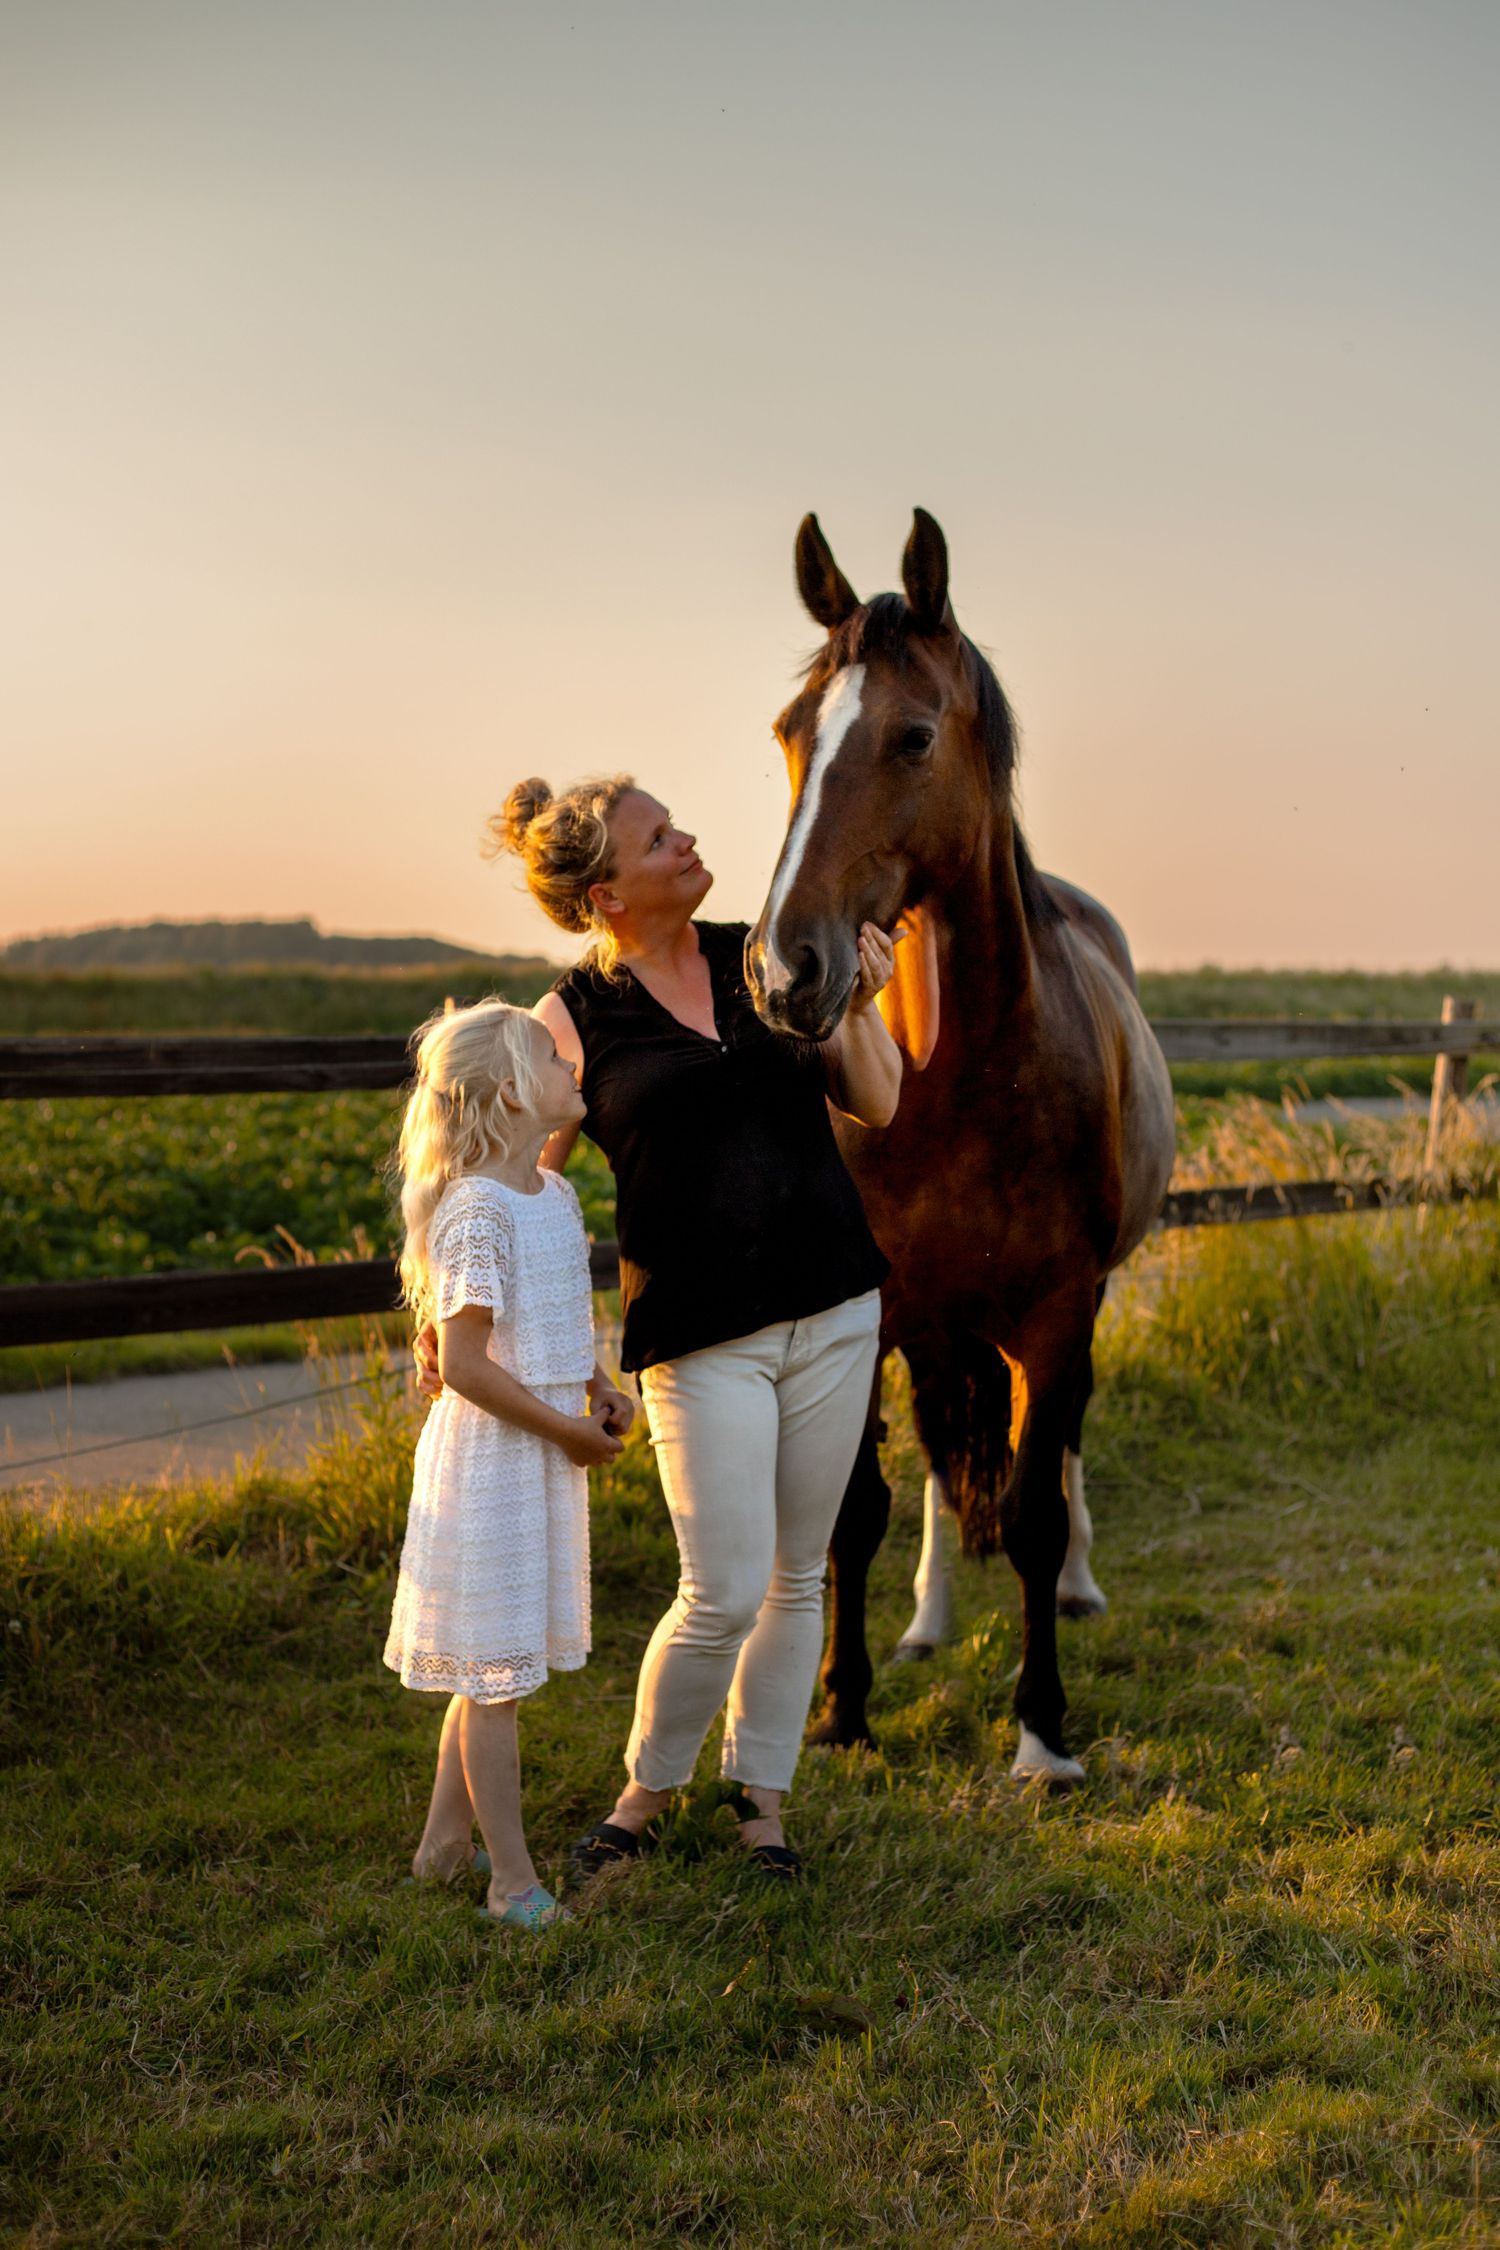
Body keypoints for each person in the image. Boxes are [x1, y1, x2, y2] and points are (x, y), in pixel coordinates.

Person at [419, 772, 901, 1884]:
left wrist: (863, 1004)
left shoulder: (762, 955)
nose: (688, 843)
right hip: (696, 1335)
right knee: (721, 1587)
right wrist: (456, 1316)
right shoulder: (566, 1024)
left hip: (836, 1304)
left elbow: (877, 1102)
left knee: (797, 1580)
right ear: (604, 893)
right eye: (658, 838)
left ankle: (762, 1802)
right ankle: (644, 1794)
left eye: (677, 827)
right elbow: (508, 1189)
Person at [386, 997, 635, 1931]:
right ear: (509, 1091)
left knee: (494, 1668)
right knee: (496, 1686)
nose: (573, 1064)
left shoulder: (553, 1194)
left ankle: (444, 1847)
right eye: (551, 1055)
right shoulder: (479, 1211)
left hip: (539, 1454)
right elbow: (462, 1364)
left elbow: (555, 1323)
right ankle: (512, 1884)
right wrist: (566, 1433)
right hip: (495, 1462)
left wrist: (597, 1386)